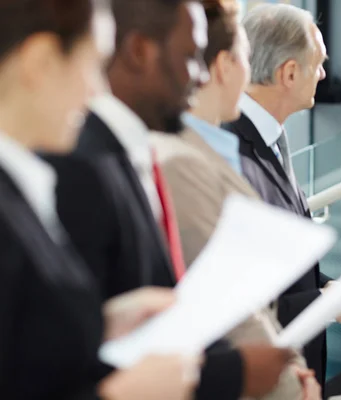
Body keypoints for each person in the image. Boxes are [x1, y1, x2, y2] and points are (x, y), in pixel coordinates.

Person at [45, 0, 293, 398]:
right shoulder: (85, 165)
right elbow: (70, 359)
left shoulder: (130, 153)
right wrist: (232, 374)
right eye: (191, 56)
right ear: (140, 52)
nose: (199, 75)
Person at [0, 1, 200, 399]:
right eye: (93, 64)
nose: (97, 90)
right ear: (40, 62)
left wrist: (105, 324)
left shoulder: (23, 187)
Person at [150, 0, 321, 398]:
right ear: (225, 65)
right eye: (245, 58)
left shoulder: (224, 149)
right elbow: (223, 304)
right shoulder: (183, 159)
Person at [223, 3, 341, 387]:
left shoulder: (272, 137)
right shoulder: (226, 150)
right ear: (289, 73)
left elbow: (275, 258)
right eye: (319, 63)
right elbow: (233, 287)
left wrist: (325, 287)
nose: (324, 74)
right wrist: (328, 303)